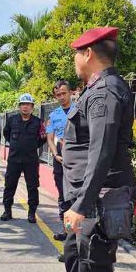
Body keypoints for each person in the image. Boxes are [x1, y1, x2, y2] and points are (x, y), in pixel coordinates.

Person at [38, 27, 136, 272]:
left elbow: (102, 152)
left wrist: (82, 204)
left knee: (94, 265)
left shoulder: (106, 91)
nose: (75, 59)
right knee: (74, 256)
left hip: (99, 196)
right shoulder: (94, 89)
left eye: (77, 53)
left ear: (89, 54)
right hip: (84, 195)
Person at [1, 93, 46, 223]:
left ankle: (31, 213)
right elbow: (6, 134)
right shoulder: (12, 120)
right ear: (19, 106)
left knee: (32, 187)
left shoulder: (38, 122)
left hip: (30, 160)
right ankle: (7, 211)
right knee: (9, 185)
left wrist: (31, 146)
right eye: (22, 104)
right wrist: (17, 145)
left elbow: (42, 138)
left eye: (28, 104)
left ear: (32, 107)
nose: (25, 107)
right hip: (14, 159)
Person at [46, 80, 75, 260]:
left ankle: (73, 244)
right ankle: (66, 232)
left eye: (64, 93)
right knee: (63, 198)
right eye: (58, 95)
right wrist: (56, 155)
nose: (62, 97)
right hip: (59, 160)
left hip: (77, 162)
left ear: (70, 92)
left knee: (74, 199)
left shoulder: (79, 110)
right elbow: (50, 138)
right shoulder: (53, 115)